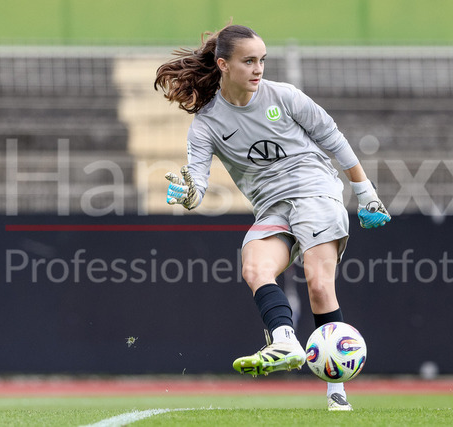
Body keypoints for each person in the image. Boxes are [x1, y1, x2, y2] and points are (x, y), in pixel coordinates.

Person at [154, 24, 390, 411]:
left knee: (319, 285)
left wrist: (365, 193)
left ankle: (336, 391)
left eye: (262, 60)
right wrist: (190, 194)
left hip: (315, 191)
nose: (258, 68)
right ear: (223, 65)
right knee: (254, 267)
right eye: (249, 61)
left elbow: (333, 138)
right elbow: (197, 182)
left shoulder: (284, 96)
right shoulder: (207, 124)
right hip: (272, 208)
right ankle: (284, 341)